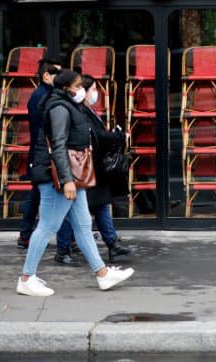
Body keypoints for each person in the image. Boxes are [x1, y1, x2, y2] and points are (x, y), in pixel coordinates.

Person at [16, 69, 134, 297]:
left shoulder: (68, 106)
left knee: (82, 227)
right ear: (66, 88)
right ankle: (26, 278)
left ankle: (102, 274)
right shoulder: (59, 108)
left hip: (69, 176)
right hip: (59, 177)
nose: (83, 90)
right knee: (48, 225)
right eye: (78, 86)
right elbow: (58, 146)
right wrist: (67, 180)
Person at [55, 74, 131, 263]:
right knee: (69, 212)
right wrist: (117, 137)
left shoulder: (86, 111)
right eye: (93, 89)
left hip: (92, 168)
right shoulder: (75, 111)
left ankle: (112, 244)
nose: (95, 93)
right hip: (83, 169)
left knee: (101, 206)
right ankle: (63, 250)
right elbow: (94, 137)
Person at [17, 57, 74, 260]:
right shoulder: (43, 97)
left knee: (37, 195)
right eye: (56, 73)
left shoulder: (44, 95)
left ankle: (26, 236)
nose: (60, 77)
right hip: (45, 154)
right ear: (46, 75)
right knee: (51, 198)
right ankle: (63, 245)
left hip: (41, 154)